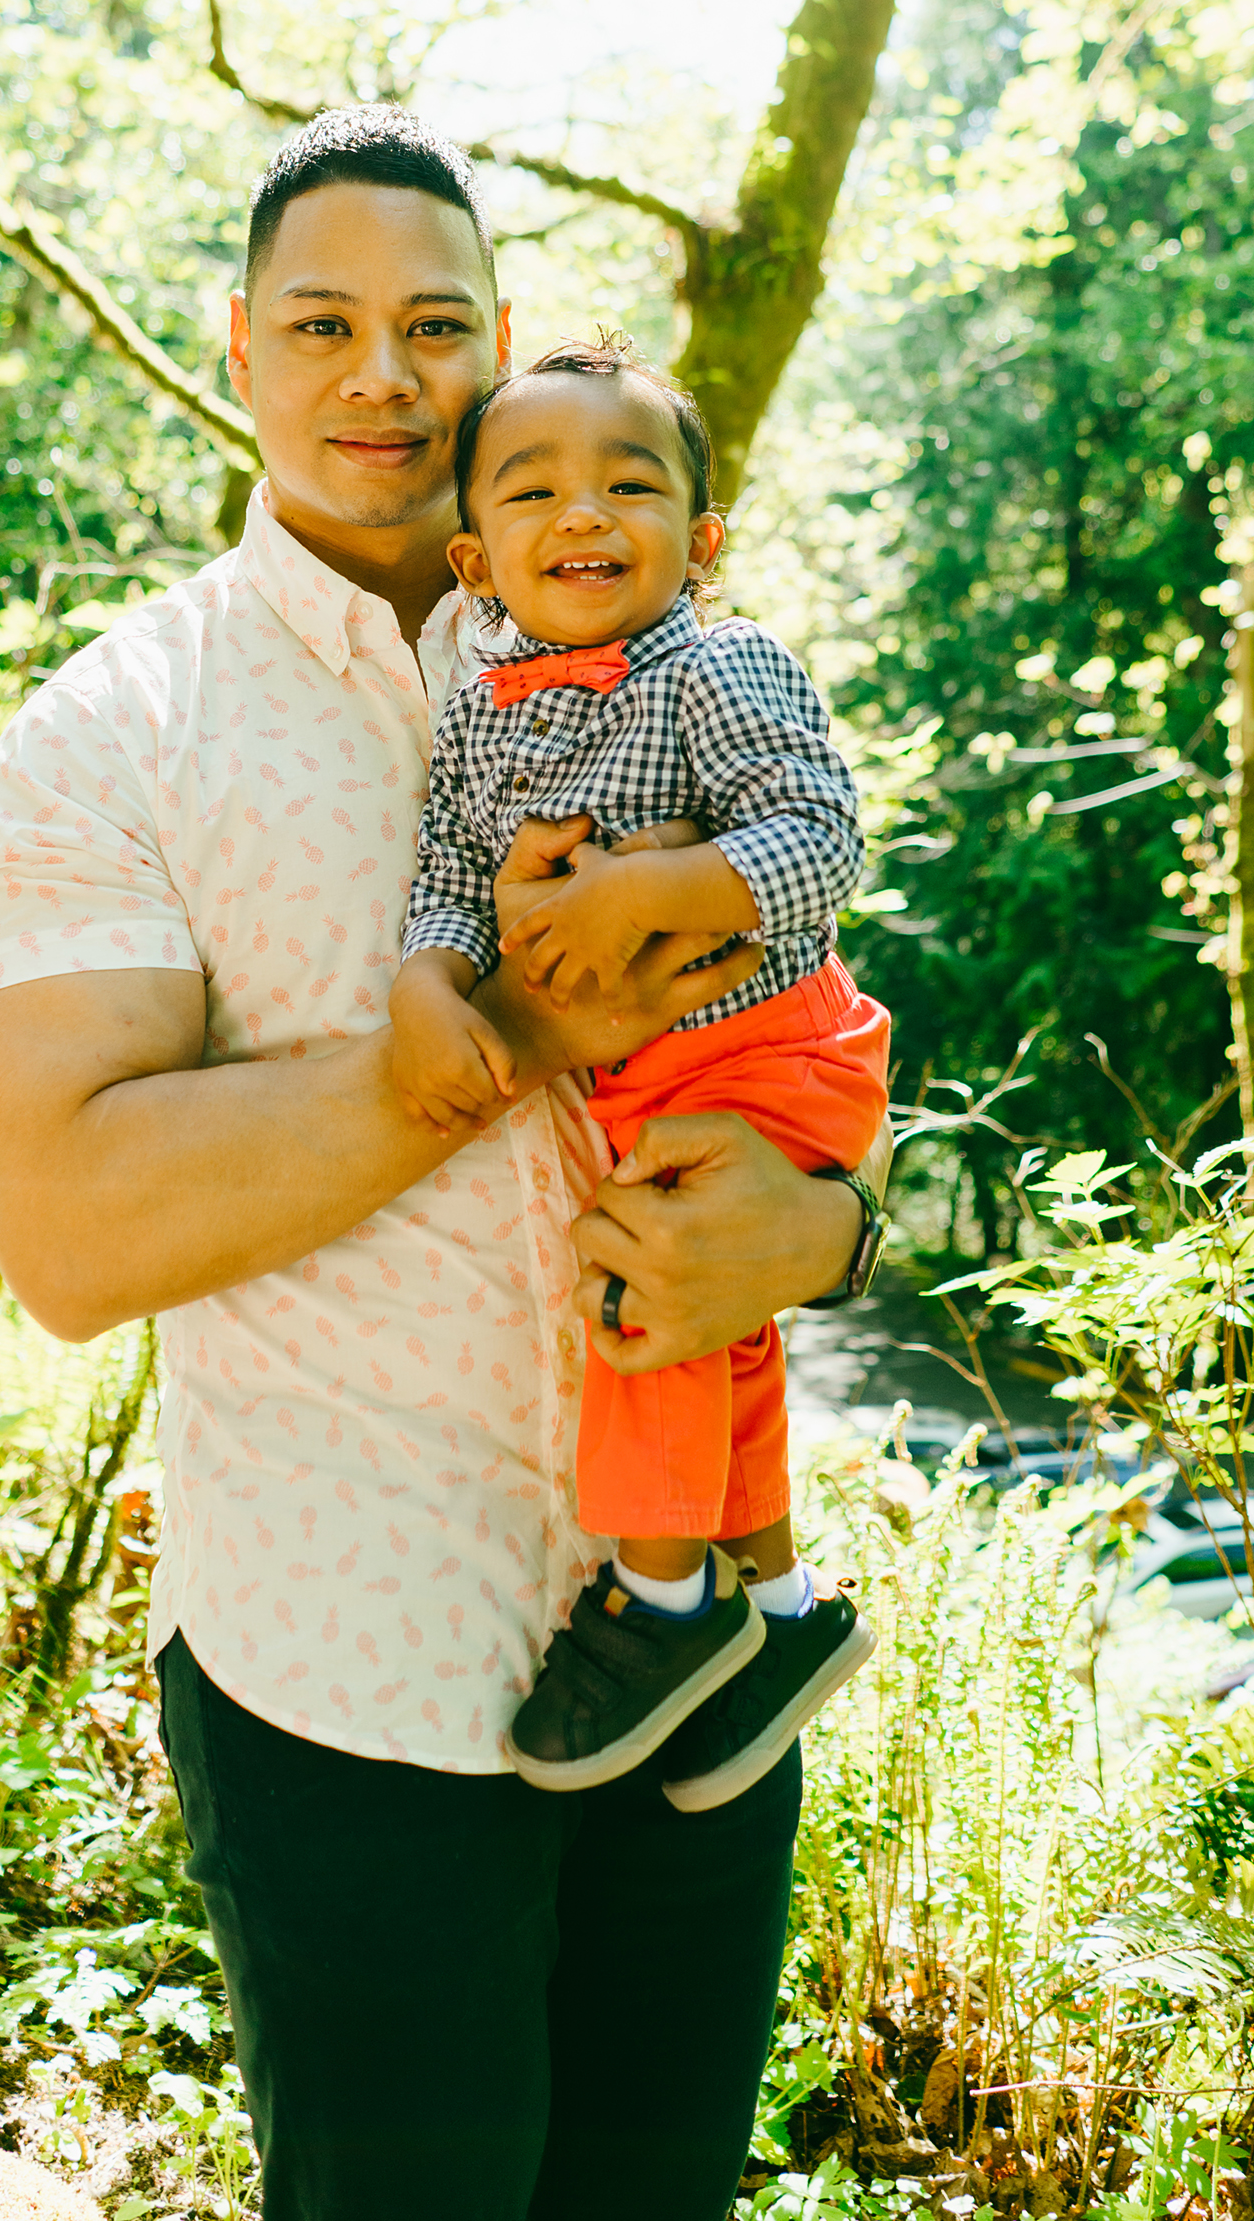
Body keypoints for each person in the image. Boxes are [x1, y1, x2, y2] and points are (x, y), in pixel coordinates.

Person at [0, 107, 889, 2221]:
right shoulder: (117, 723)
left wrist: (822, 1228)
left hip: (695, 1656)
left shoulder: (646, 627)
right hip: (353, 1677)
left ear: (500, 345)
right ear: (242, 346)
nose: (381, 374)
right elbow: (68, 1229)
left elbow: (812, 1034)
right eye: (325, 323)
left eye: (433, 324)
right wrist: (529, 1008)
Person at [390, 341, 887, 1810]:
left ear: (701, 537)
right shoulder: (480, 719)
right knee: (724, 1325)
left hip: (772, 1036)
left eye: (628, 483)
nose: (582, 514)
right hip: (657, 1069)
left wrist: (649, 895)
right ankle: (783, 1612)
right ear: (476, 557)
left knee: (647, 1292)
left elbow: (820, 836)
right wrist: (427, 981)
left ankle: (664, 1600)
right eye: (534, 489)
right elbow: (450, 883)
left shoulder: (717, 666)